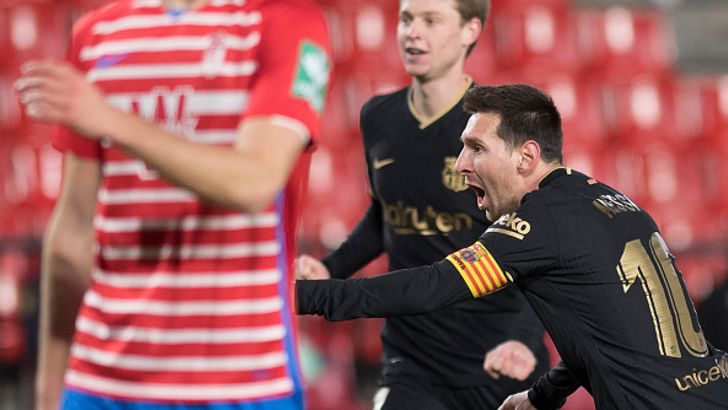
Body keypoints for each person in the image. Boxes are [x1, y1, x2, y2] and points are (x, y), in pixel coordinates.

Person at [296, 84, 728, 410]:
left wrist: (295, 296)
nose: (461, 165)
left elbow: (432, 286)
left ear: (526, 157)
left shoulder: (541, 221)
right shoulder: (609, 200)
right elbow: (606, 332)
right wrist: (542, 395)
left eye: (476, 149)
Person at [15, 0, 331, 409]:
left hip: (243, 381)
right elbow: (73, 231)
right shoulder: (96, 35)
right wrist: (49, 393)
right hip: (99, 384)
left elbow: (254, 182)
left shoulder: (286, 22)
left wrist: (112, 120)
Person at [296, 0, 548, 409]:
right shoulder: (378, 116)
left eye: (431, 21)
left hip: (498, 358)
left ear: (470, 31)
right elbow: (386, 215)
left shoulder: (502, 127)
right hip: (413, 360)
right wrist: (331, 268)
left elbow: (537, 245)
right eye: (406, 19)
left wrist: (522, 337)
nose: (413, 32)